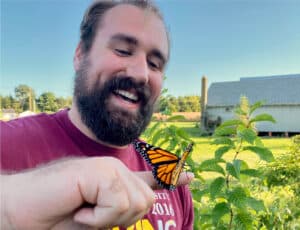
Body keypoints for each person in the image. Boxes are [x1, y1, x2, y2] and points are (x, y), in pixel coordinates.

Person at [1, 0, 195, 229]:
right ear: (80, 55)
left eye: (154, 64)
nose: (141, 73)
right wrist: (10, 211)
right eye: (123, 51)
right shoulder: (6, 142)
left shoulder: (170, 179)